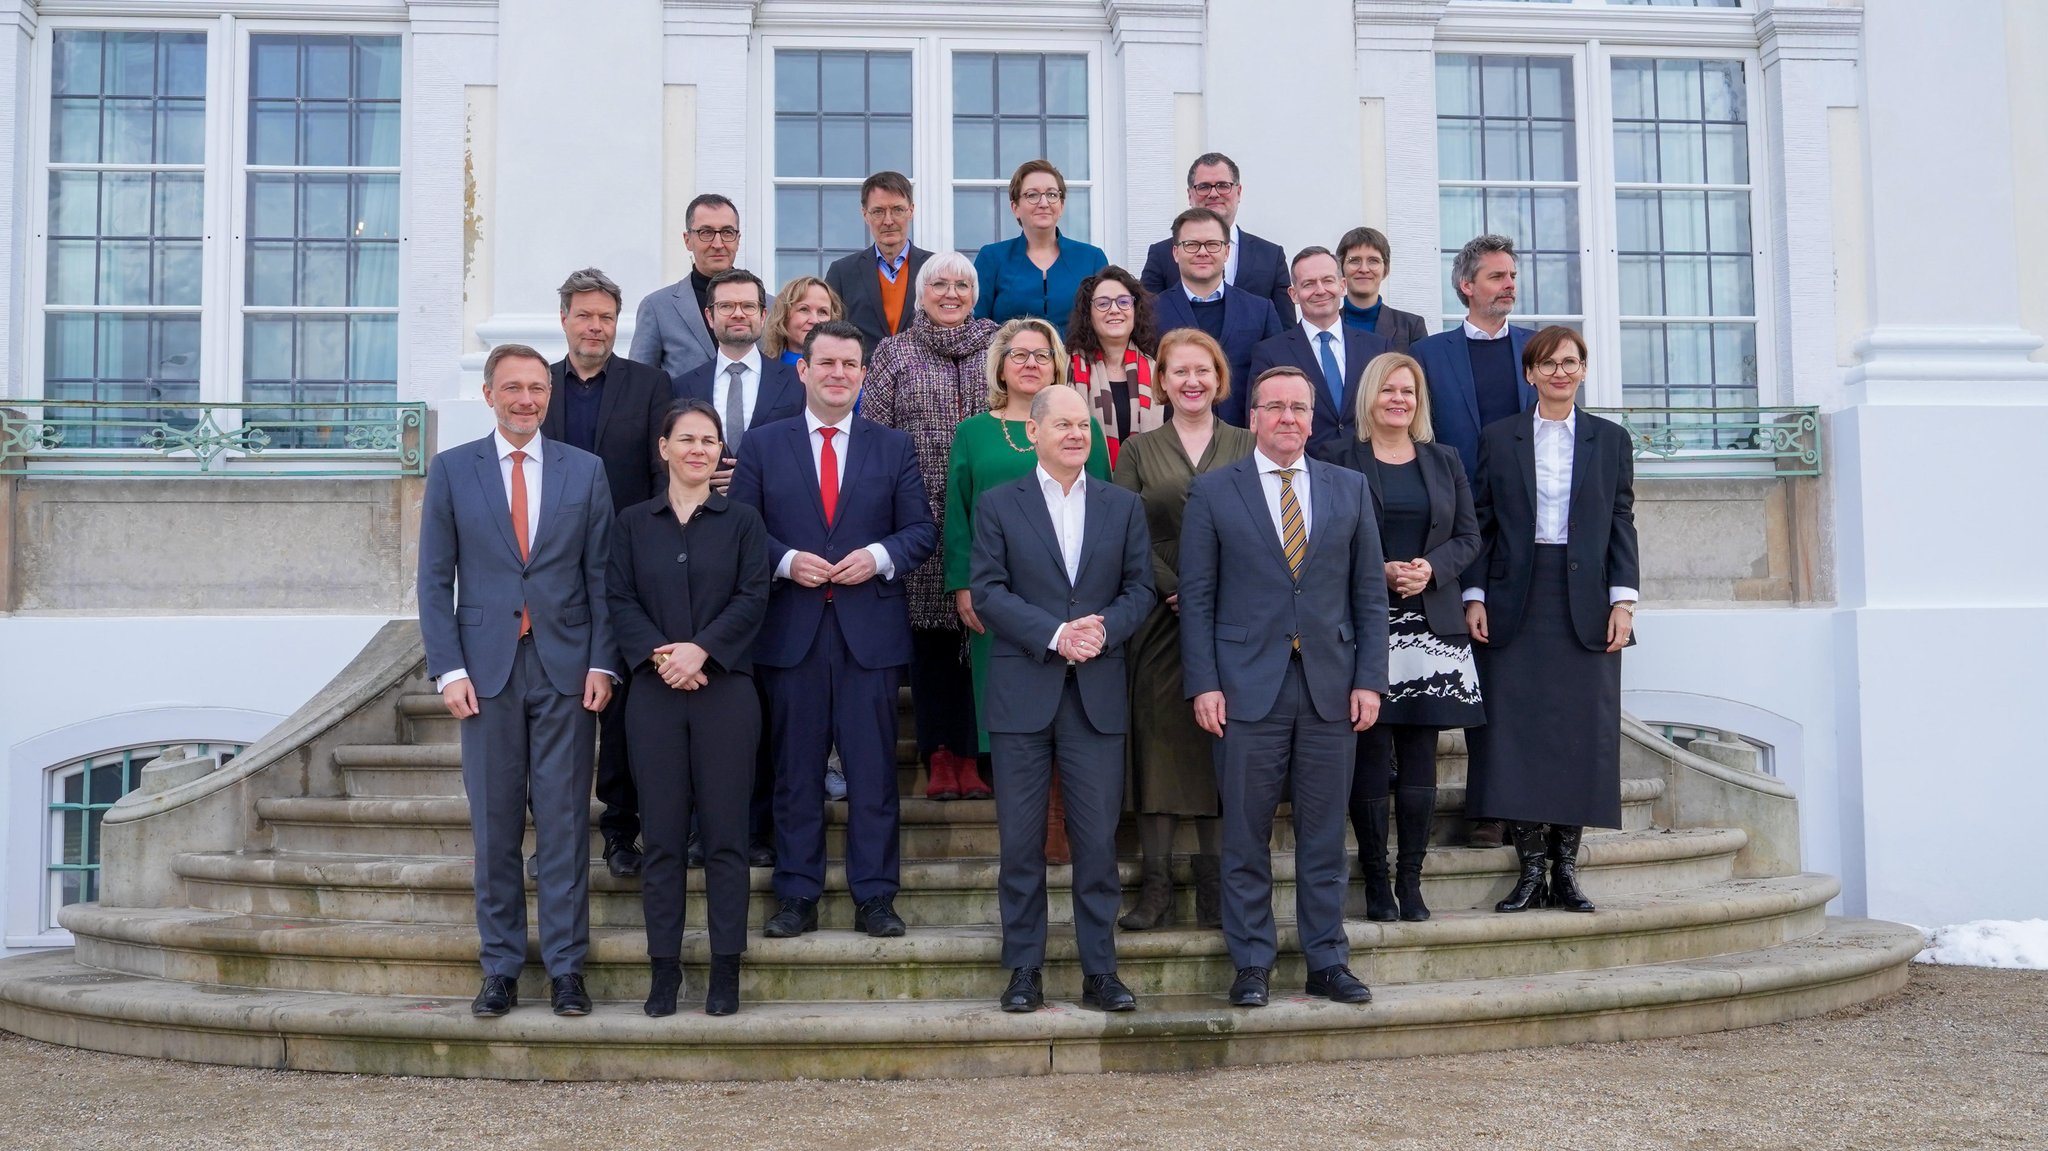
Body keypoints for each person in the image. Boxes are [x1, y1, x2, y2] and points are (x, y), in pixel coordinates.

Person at [417, 343, 616, 1019]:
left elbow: (601, 576)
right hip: (485, 672)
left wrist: (601, 661)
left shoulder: (585, 472)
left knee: (563, 826)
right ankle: (499, 966)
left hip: (565, 670)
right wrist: (448, 668)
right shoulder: (451, 471)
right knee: (496, 828)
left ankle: (566, 969)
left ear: (548, 394)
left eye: (536, 387)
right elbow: (433, 579)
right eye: (513, 388)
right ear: (489, 393)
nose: (526, 398)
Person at [1178, 366, 1387, 1008]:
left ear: (1314, 415)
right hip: (1244, 689)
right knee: (1245, 835)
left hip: (1331, 685)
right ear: (1254, 416)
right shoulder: (1215, 492)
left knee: (1325, 836)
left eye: (1299, 407)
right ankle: (1252, 964)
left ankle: (1327, 960)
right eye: (1275, 407)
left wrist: (1370, 680)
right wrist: (1204, 683)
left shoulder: (1349, 488)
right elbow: (1199, 599)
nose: (1288, 418)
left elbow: (1369, 594)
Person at [730, 320, 938, 940]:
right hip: (790, 629)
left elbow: (921, 532)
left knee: (873, 771)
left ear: (864, 375)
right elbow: (740, 531)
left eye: (850, 364)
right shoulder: (765, 446)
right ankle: (797, 895)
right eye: (826, 363)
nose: (838, 374)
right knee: (794, 770)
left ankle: (875, 896)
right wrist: (787, 562)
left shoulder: (892, 446)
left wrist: (876, 557)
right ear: (802, 369)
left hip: (867, 631)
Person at [969, 383, 1155, 1014]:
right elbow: (987, 591)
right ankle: (1024, 969)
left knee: (1097, 845)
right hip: (1024, 691)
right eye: (1064, 425)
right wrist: (1054, 634)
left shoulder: (1122, 506)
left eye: (1085, 425)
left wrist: (1100, 630)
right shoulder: (999, 505)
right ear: (1035, 435)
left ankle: (1100, 972)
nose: (1077, 434)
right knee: (1021, 845)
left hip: (1097, 694)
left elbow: (1140, 589)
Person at [1463, 326, 1639, 916]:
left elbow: (1621, 520)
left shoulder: (1610, 440)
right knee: (1514, 734)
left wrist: (1623, 600)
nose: (1560, 371)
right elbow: (1481, 523)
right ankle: (1529, 869)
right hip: (1515, 595)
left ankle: (1565, 873)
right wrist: (1474, 595)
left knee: (1579, 736)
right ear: (1530, 373)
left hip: (1586, 600)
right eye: (1549, 363)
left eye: (1571, 362)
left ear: (1583, 371)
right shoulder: (1499, 437)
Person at [605, 399, 771, 1016]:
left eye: (710, 441)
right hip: (652, 695)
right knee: (665, 839)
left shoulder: (743, 522)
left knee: (727, 837)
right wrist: (661, 656)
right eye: (687, 439)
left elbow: (754, 597)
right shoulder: (631, 523)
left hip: (726, 692)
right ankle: (664, 971)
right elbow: (617, 596)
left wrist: (702, 651)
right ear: (664, 448)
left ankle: (725, 970)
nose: (699, 449)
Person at [1322, 354, 1484, 923]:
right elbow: (1322, 536)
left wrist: (1431, 570)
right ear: (1370, 396)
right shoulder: (1337, 457)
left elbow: (1468, 536)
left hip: (1431, 628)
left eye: (1408, 392)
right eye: (1388, 390)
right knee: (1369, 754)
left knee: (1420, 759)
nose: (1399, 400)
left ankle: (1411, 881)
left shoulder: (1445, 460)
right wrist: (1383, 569)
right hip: (1365, 623)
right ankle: (1376, 882)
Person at [945, 318, 1110, 864]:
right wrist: (964, 585)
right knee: (1015, 711)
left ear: (1058, 363)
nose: (1031, 363)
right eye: (1019, 354)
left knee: (1076, 708)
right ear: (1000, 364)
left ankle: (1064, 833)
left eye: (1042, 354)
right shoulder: (973, 432)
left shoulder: (1082, 425)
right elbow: (959, 512)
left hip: (1074, 597)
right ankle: (1026, 831)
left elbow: (1106, 509)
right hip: (1002, 599)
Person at [1109, 329, 1255, 931]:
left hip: (1237, 615)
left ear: (1220, 379)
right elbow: (1123, 529)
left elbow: (1265, 522)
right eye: (1179, 372)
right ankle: (1158, 886)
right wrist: (1176, 588)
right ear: (1161, 382)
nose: (1192, 382)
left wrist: (1209, 595)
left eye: (1203, 371)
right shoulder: (1139, 451)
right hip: (1157, 612)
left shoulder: (1249, 444)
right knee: (1158, 745)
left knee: (1221, 746)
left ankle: (1218, 889)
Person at [537, 268, 671, 882]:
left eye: (607, 318)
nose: (596, 327)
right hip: (550, 572)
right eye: (585, 316)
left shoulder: (648, 386)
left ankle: (621, 831)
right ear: (563, 318)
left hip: (623, 570)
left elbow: (658, 478)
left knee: (620, 713)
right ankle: (552, 839)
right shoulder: (536, 388)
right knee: (555, 718)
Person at [861, 251, 1002, 803]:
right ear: (920, 295)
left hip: (990, 517)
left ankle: (976, 753)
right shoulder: (894, 353)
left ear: (975, 293)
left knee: (985, 634)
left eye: (961, 284)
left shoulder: (999, 343)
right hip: (918, 517)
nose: (950, 293)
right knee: (933, 642)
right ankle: (940, 754)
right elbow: (872, 435)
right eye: (938, 284)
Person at [1409, 233, 1536, 485]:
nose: (1510, 284)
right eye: (1497, 277)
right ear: (1467, 286)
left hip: (1527, 496)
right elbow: (1418, 434)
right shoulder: (1427, 354)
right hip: (1457, 496)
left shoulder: (1538, 347)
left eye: (1512, 276)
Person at [1249, 246, 1394, 456]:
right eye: (1308, 284)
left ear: (1342, 285)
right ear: (1294, 294)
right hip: (1303, 473)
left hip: (1369, 471)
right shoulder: (1269, 353)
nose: (1320, 290)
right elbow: (1260, 422)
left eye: (1328, 281)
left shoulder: (1378, 348)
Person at [672, 269, 806, 489]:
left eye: (748, 306)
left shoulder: (797, 382)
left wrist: (752, 476)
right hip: (703, 512)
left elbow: (805, 452)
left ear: (763, 316)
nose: (738, 314)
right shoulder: (683, 386)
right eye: (726, 306)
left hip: (772, 513)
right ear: (709, 317)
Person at [1149, 208, 1284, 427]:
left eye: (1212, 244)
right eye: (1191, 245)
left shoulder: (1261, 311)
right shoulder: (1149, 312)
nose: (1202, 252)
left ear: (1227, 251)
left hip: (1244, 444)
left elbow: (1277, 380)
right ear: (1175, 253)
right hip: (1171, 446)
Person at [1140, 152, 1296, 325]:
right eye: (1204, 186)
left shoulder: (1271, 256)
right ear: (1190, 194)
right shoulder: (1161, 253)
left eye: (1223, 185)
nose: (1213, 194)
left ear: (1239, 191)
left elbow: (1284, 331)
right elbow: (1144, 321)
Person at [631, 194, 766, 383]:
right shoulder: (657, 308)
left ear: (738, 239)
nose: (718, 244)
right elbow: (639, 384)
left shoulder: (772, 307)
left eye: (727, 232)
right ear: (687, 240)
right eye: (706, 232)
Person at [972, 160, 1108, 324]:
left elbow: (1105, 321)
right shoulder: (992, 258)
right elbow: (976, 324)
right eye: (1032, 195)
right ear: (1015, 207)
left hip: (1077, 350)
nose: (1044, 203)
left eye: (1052, 194)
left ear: (1061, 205)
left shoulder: (1092, 258)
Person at [1065, 266, 1164, 465]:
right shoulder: (1066, 368)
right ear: (1088, 314)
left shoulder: (1157, 371)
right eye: (1103, 303)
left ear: (1135, 310)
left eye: (1123, 302)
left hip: (1144, 489)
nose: (1114, 309)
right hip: (1083, 484)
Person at [825, 170, 932, 354]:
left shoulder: (935, 268)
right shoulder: (842, 272)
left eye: (897, 210)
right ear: (865, 214)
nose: (888, 221)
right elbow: (827, 335)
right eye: (878, 212)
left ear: (911, 211)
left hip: (923, 379)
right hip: (861, 379)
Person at [1335, 227, 1430, 353]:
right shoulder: (1327, 325)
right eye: (1354, 261)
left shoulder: (1411, 327)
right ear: (1341, 269)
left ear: (1386, 270)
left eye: (1373, 261)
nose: (1364, 269)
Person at [762, 275, 844, 366]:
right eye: (804, 309)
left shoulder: (846, 373)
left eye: (823, 312)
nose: (815, 320)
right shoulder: (764, 372)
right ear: (783, 316)